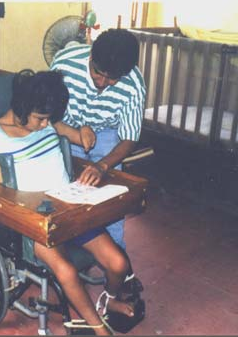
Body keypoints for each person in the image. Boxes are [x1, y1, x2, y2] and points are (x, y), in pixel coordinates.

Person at [0, 70, 134, 335]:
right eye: (41, 118)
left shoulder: (48, 122)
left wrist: (85, 133)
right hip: (36, 223)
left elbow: (80, 138)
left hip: (71, 211)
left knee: (119, 263)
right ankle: (99, 328)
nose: (46, 125)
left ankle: (109, 301)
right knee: (65, 271)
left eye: (50, 119)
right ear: (22, 107)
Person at [51, 28, 146, 250]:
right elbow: (48, 114)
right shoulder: (64, 63)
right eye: (98, 73)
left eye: (112, 78)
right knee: (63, 193)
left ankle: (117, 261)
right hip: (65, 130)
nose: (102, 83)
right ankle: (68, 255)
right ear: (91, 56)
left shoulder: (134, 84)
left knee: (110, 202)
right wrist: (76, 132)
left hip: (107, 135)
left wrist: (102, 165)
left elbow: (130, 137)